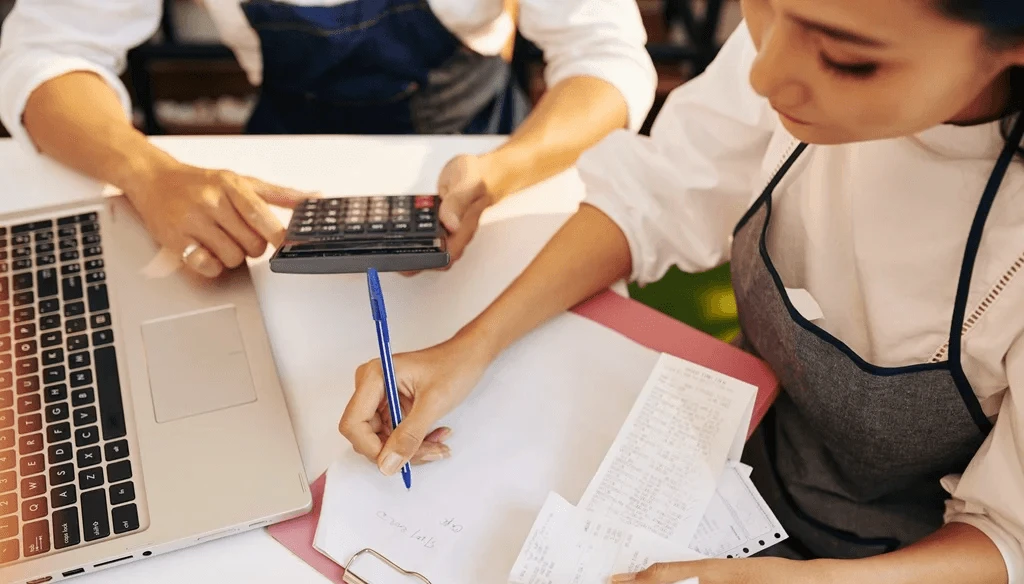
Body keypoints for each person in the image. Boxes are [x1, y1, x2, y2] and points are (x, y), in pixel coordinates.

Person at [338, 0, 1024, 584]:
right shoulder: (800, 33)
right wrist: (472, 344)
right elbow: (658, 193)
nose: (765, 76)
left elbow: (1010, 530)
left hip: (917, 573)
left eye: (849, 60)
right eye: (760, 8)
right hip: (744, 461)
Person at [0, 0, 655, 277]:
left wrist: (506, 169)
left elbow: (606, 56)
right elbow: (49, 54)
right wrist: (146, 171)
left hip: (485, 154)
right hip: (285, 170)